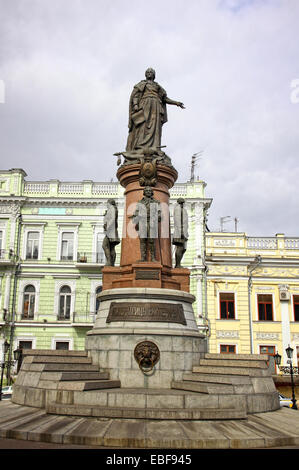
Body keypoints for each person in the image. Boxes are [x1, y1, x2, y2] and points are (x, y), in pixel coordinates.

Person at [126, 68, 185, 153]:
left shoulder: (157, 86)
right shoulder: (142, 84)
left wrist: (176, 103)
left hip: (156, 107)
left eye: (151, 72)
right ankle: (139, 145)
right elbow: (135, 96)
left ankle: (154, 146)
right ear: (145, 74)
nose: (149, 73)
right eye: (148, 72)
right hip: (144, 105)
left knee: (155, 127)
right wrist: (135, 105)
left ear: (154, 75)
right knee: (143, 125)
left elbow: (164, 98)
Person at [130, 187, 161, 262]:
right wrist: (135, 217)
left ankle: (153, 258)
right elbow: (136, 212)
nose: (148, 192)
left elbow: (159, 213)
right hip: (142, 222)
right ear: (144, 192)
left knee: (151, 240)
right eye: (146, 191)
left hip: (152, 222)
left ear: (152, 192)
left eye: (150, 191)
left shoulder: (156, 202)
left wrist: (157, 217)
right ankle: (143, 258)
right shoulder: (140, 202)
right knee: (143, 240)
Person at [102, 199, 120, 266]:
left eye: (107, 203)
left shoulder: (112, 209)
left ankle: (109, 262)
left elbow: (112, 218)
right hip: (112, 230)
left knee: (105, 245)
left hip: (111, 230)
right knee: (111, 247)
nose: (107, 204)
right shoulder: (112, 209)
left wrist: (108, 227)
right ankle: (111, 263)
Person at [172, 198, 188, 268]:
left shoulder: (183, 209)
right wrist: (180, 231)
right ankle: (177, 264)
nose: (183, 203)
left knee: (184, 248)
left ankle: (178, 263)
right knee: (180, 248)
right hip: (180, 232)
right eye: (182, 202)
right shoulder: (178, 209)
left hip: (183, 232)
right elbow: (178, 221)